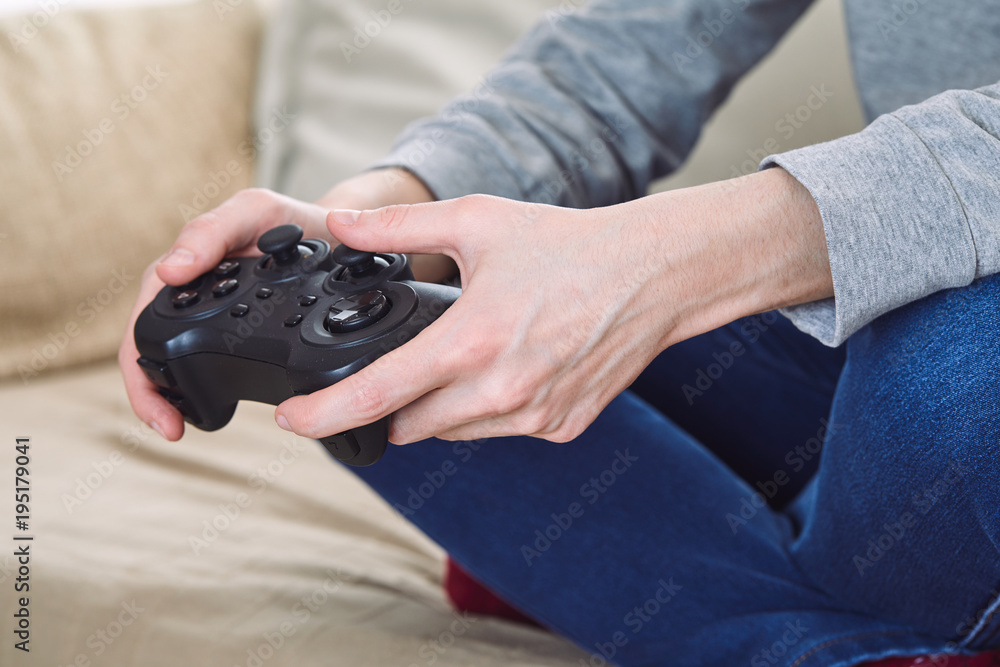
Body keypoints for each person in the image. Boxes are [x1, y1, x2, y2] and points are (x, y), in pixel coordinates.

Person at [119, 0, 1000, 664]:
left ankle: (704, 591)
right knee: (377, 357)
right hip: (866, 323)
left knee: (942, 357)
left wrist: (684, 257)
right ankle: (706, 553)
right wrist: (357, 233)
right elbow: (622, 59)